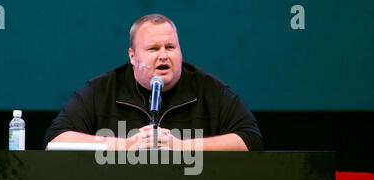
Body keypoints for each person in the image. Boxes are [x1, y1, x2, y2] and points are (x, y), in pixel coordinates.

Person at [43, 14, 262, 151]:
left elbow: (250, 139)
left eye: (171, 47)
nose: (164, 56)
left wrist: (182, 147)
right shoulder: (103, 89)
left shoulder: (207, 88)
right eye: (153, 49)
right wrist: (126, 145)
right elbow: (56, 139)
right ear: (132, 56)